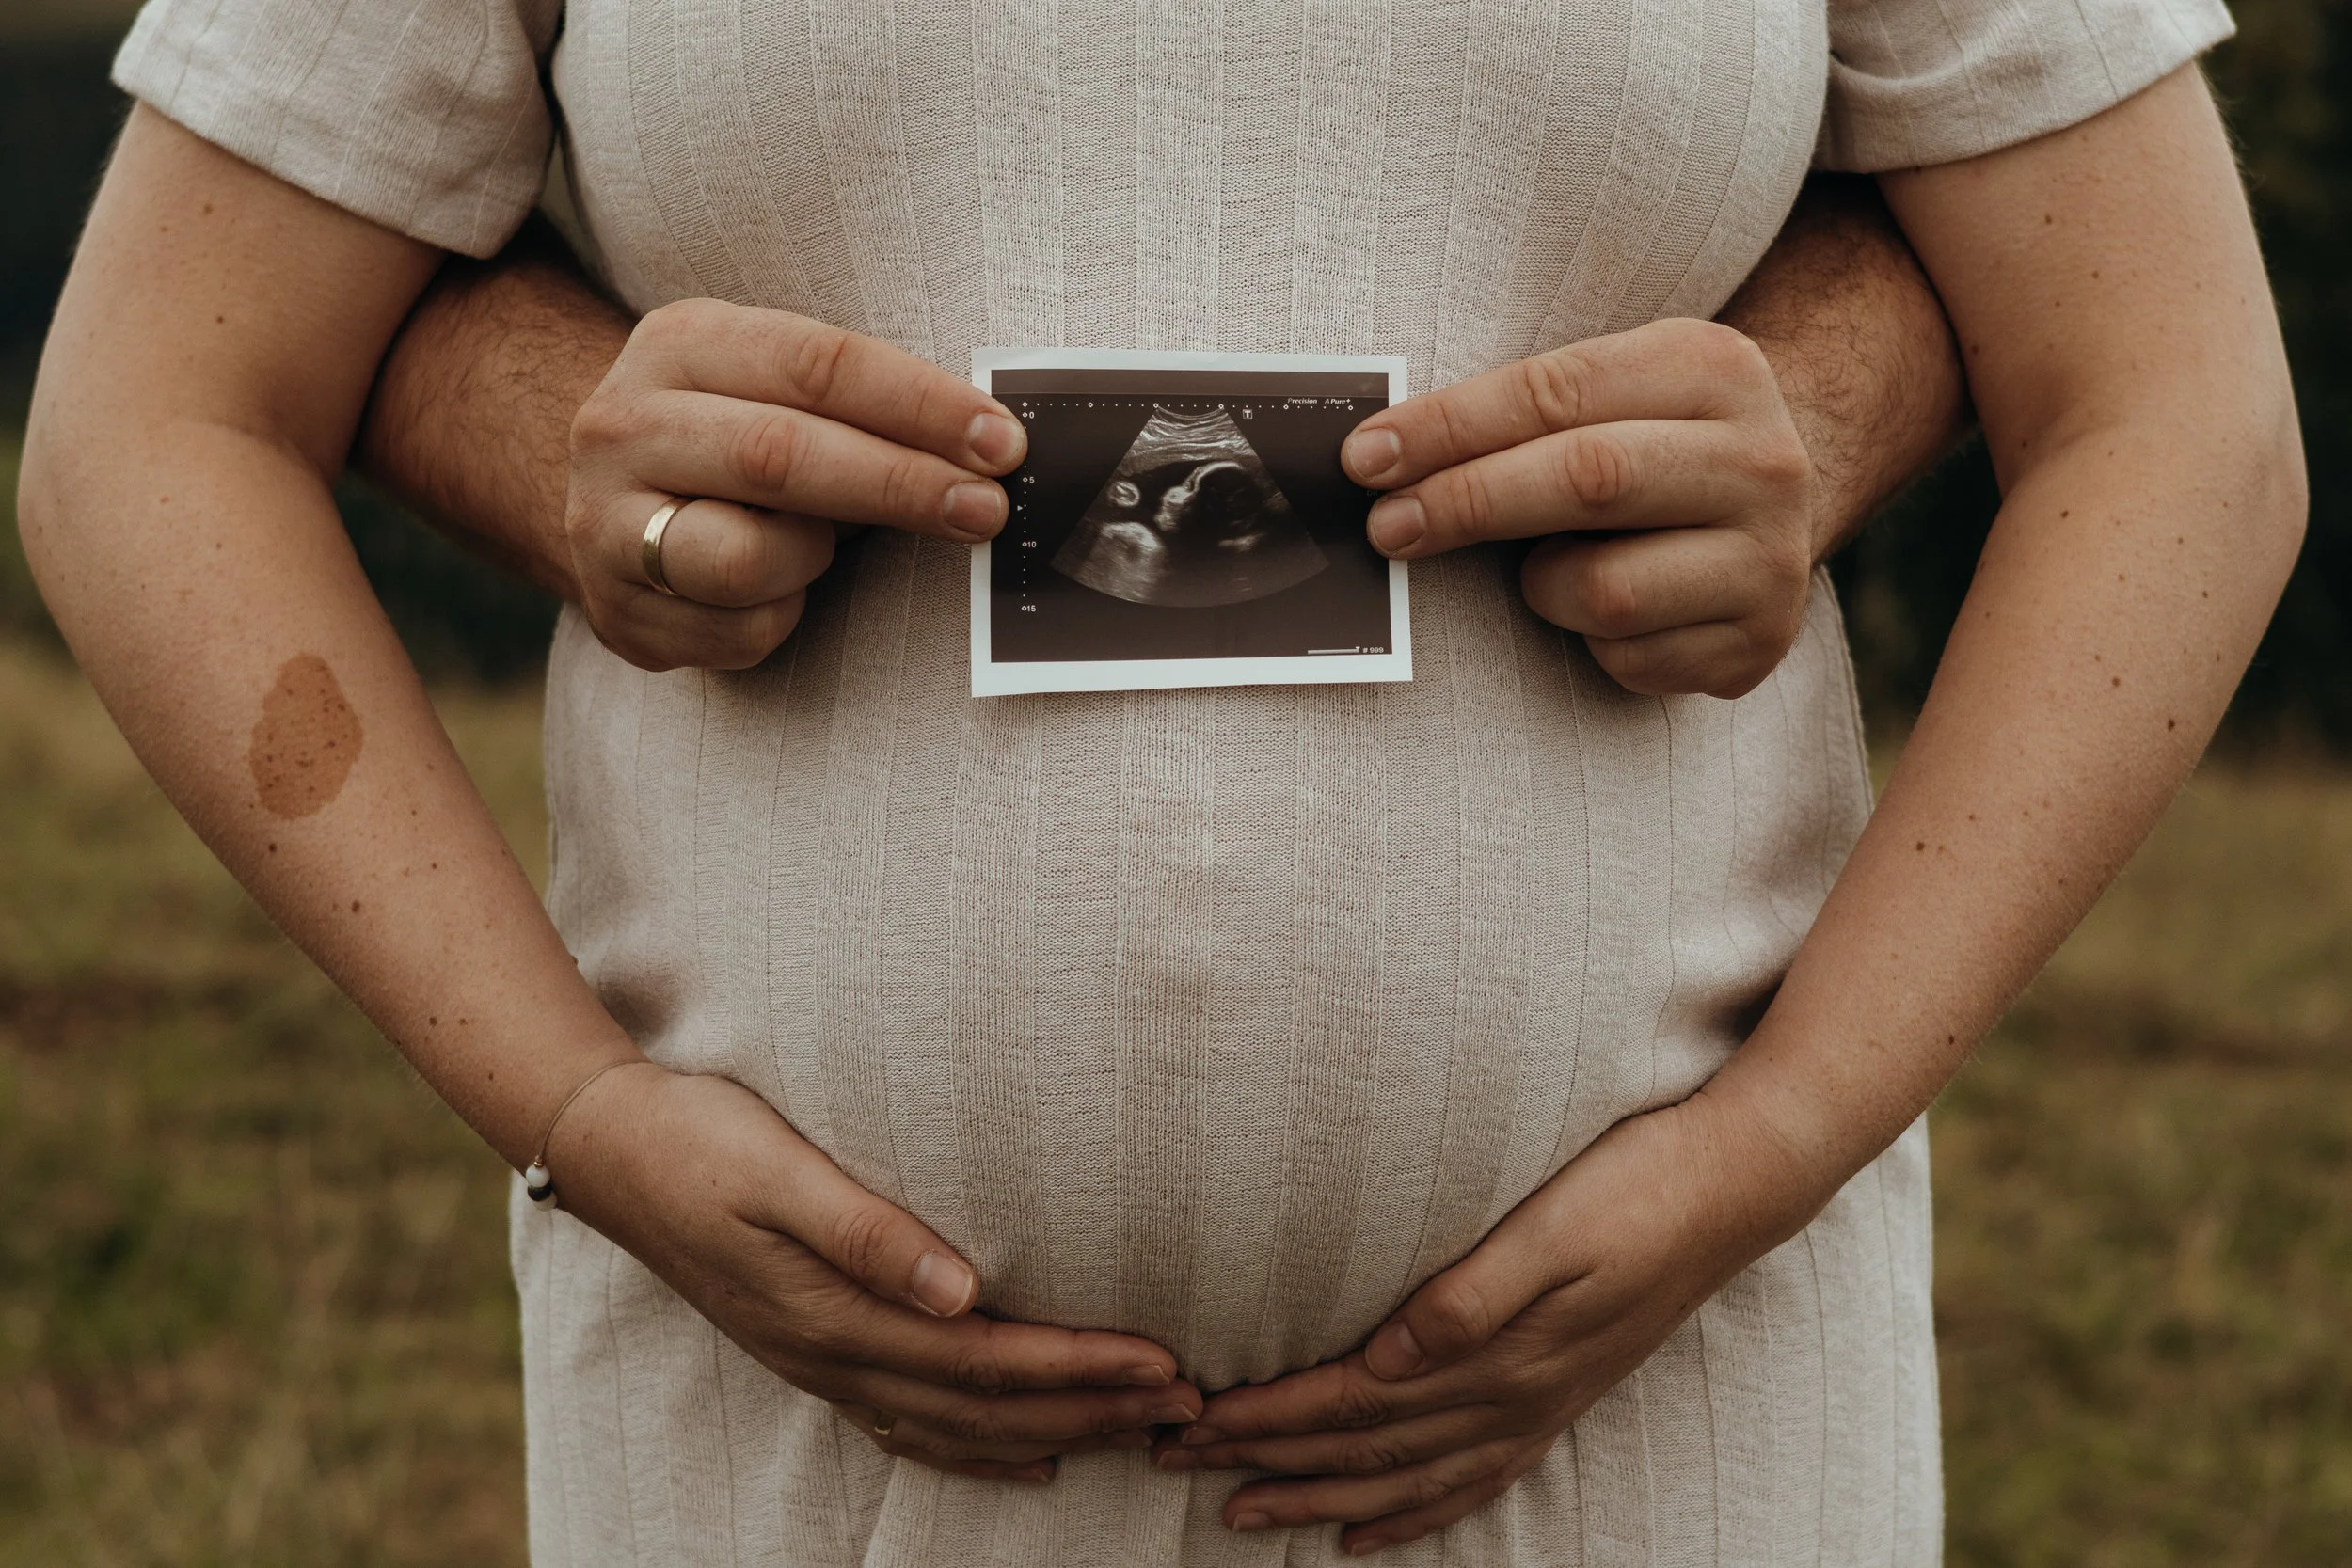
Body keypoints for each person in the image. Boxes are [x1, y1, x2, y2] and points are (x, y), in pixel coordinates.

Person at [17, 0, 2301, 1563]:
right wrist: (573, 1109)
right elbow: (164, 411)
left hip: (1673, 1416)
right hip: (799, 1459)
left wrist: (1781, 1137)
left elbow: (2163, 391)